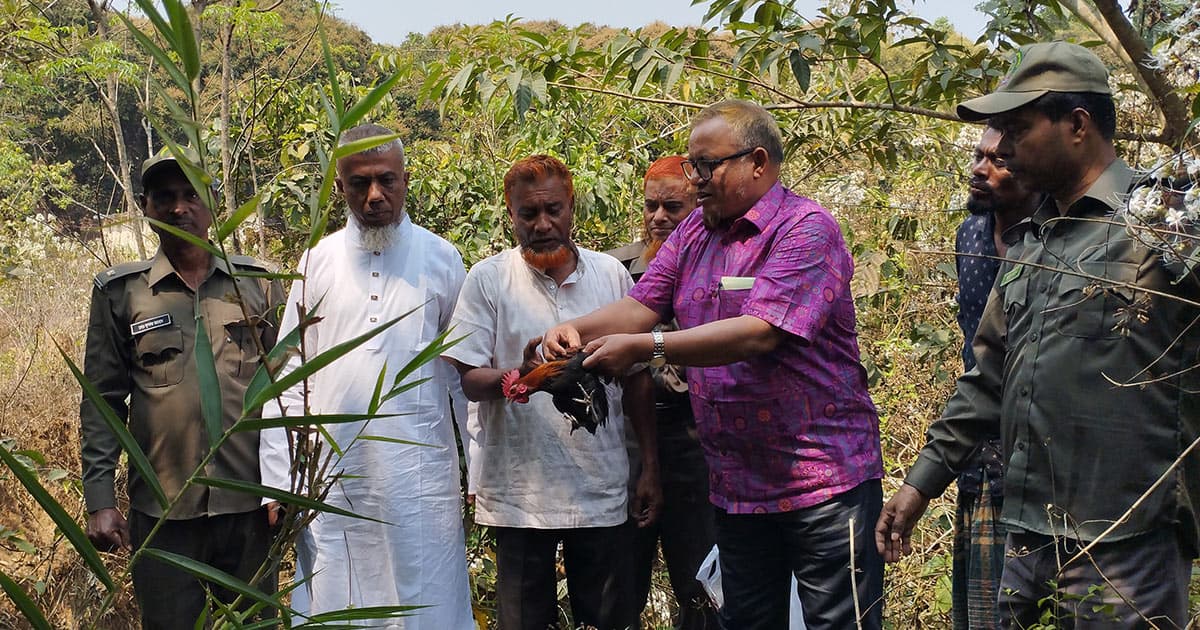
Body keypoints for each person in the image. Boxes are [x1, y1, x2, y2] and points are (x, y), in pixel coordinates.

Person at [876, 42, 1198, 628]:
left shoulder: (1165, 220)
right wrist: (921, 484)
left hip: (1125, 546)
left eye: (1017, 129)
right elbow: (988, 379)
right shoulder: (1031, 242)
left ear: (1077, 125)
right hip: (1027, 541)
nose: (1001, 148)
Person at [543, 100, 885, 630]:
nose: (695, 179)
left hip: (822, 482)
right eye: (691, 166)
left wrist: (647, 348)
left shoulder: (805, 229)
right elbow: (641, 305)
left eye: (707, 166)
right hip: (737, 487)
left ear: (758, 162)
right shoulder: (695, 232)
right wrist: (575, 329)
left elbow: (760, 332)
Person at [258, 124, 474, 629]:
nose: (374, 195)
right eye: (359, 183)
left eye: (386, 181)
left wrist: (477, 473)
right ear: (340, 187)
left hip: (420, 476)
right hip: (334, 477)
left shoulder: (442, 259)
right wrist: (277, 481)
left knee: (428, 599)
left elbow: (466, 376)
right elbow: (288, 372)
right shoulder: (317, 262)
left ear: (405, 180)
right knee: (340, 598)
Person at [443, 154, 662, 630]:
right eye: (528, 214)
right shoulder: (488, 279)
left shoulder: (610, 276)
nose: (542, 225)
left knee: (605, 620)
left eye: (554, 210)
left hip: (601, 490)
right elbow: (469, 380)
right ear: (511, 213)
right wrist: (519, 377)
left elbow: (638, 378)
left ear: (572, 207)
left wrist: (649, 466)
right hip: (521, 496)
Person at [80, 147, 284, 629]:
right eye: (164, 197)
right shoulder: (120, 293)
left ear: (211, 205)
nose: (178, 208)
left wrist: (286, 484)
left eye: (191, 195)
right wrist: (100, 498)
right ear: (147, 208)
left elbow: (290, 390)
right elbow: (102, 402)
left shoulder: (258, 284)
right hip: (163, 513)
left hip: (250, 509)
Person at [605, 155, 718, 629]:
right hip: (626, 441)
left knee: (700, 583)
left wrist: (646, 353)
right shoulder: (617, 269)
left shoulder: (719, 267)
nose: (658, 218)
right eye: (651, 206)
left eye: (673, 206)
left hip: (695, 442)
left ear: (698, 206)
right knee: (619, 581)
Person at [949, 127, 1038, 629]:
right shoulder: (971, 235)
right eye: (979, 155)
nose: (980, 169)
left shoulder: (1062, 236)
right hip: (981, 456)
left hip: (1046, 470)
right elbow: (977, 353)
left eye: (1000, 159)